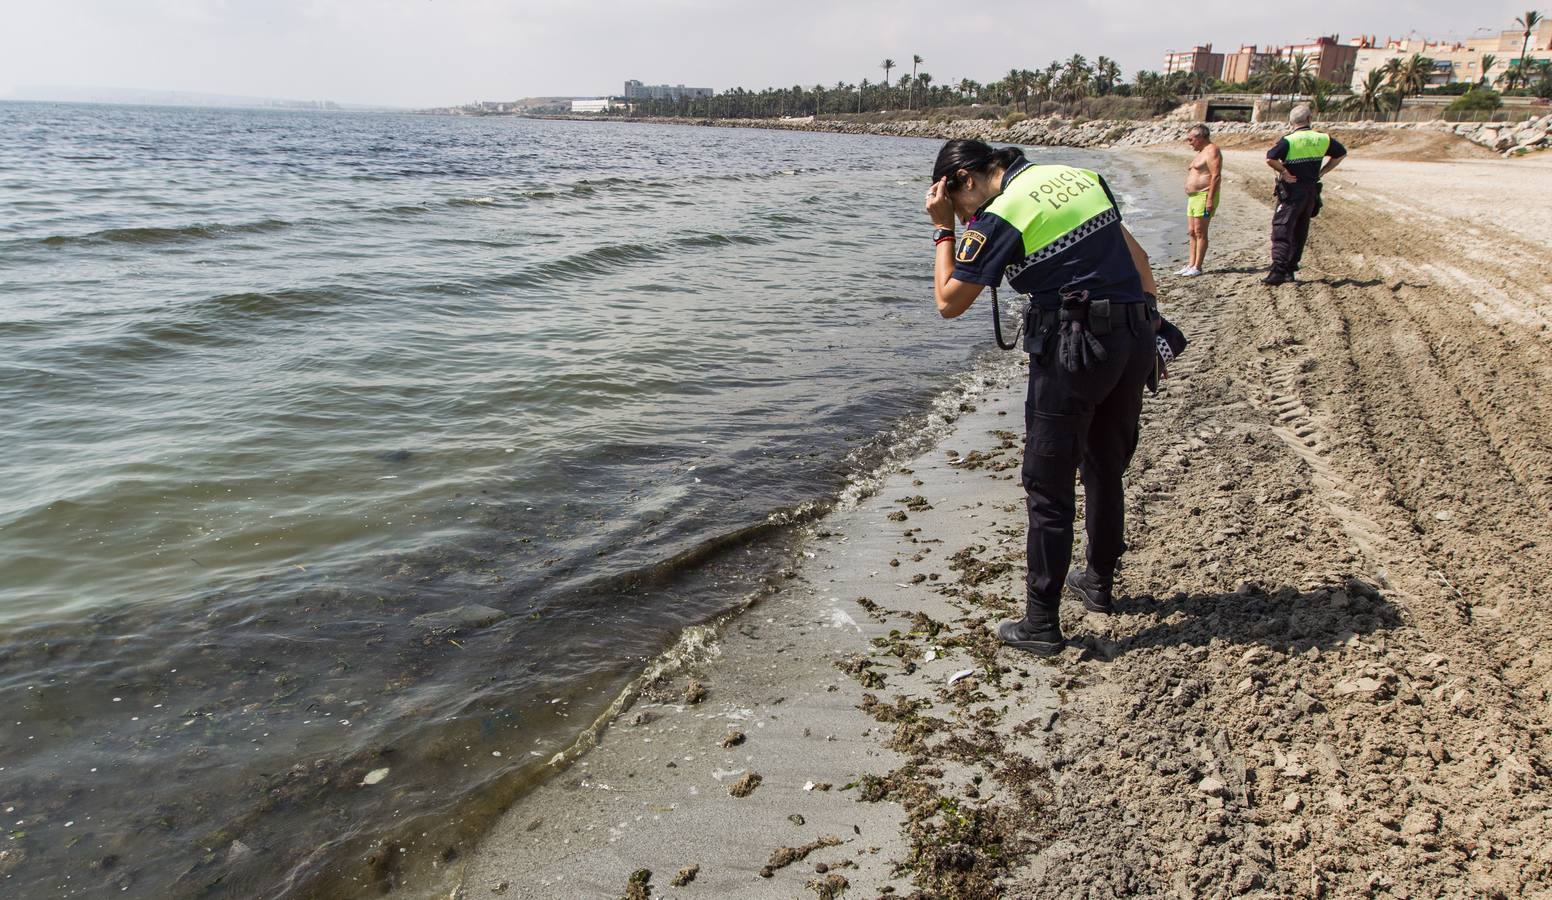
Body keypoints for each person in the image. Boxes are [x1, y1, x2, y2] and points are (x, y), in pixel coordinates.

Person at [924, 139, 1160, 656]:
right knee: (1104, 465)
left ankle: (1041, 623)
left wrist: (943, 228)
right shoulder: (1079, 177)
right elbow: (1138, 260)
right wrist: (1149, 332)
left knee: (1047, 483)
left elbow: (948, 302)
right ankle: (1097, 581)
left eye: (962, 203)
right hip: (1134, 333)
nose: (968, 217)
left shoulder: (1003, 210)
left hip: (1077, 347)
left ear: (965, 179)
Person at [1263, 104, 1346, 285]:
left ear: (1291, 122)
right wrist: (1322, 172)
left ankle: (1278, 270)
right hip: (1311, 191)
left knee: (1282, 228)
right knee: (1300, 230)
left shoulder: (1290, 140)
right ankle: (1290, 270)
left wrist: (1284, 172)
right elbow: (1340, 154)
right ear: (1309, 119)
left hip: (1292, 191)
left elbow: (1270, 158)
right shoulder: (1323, 138)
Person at [1178, 124, 1221, 277]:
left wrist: (1210, 200)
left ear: (1200, 137)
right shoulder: (1201, 152)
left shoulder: (1212, 150)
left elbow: (1215, 175)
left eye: (1190, 139)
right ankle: (1190, 264)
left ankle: (1198, 266)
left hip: (1204, 196)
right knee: (1191, 232)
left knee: (1200, 231)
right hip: (1194, 197)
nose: (1189, 143)